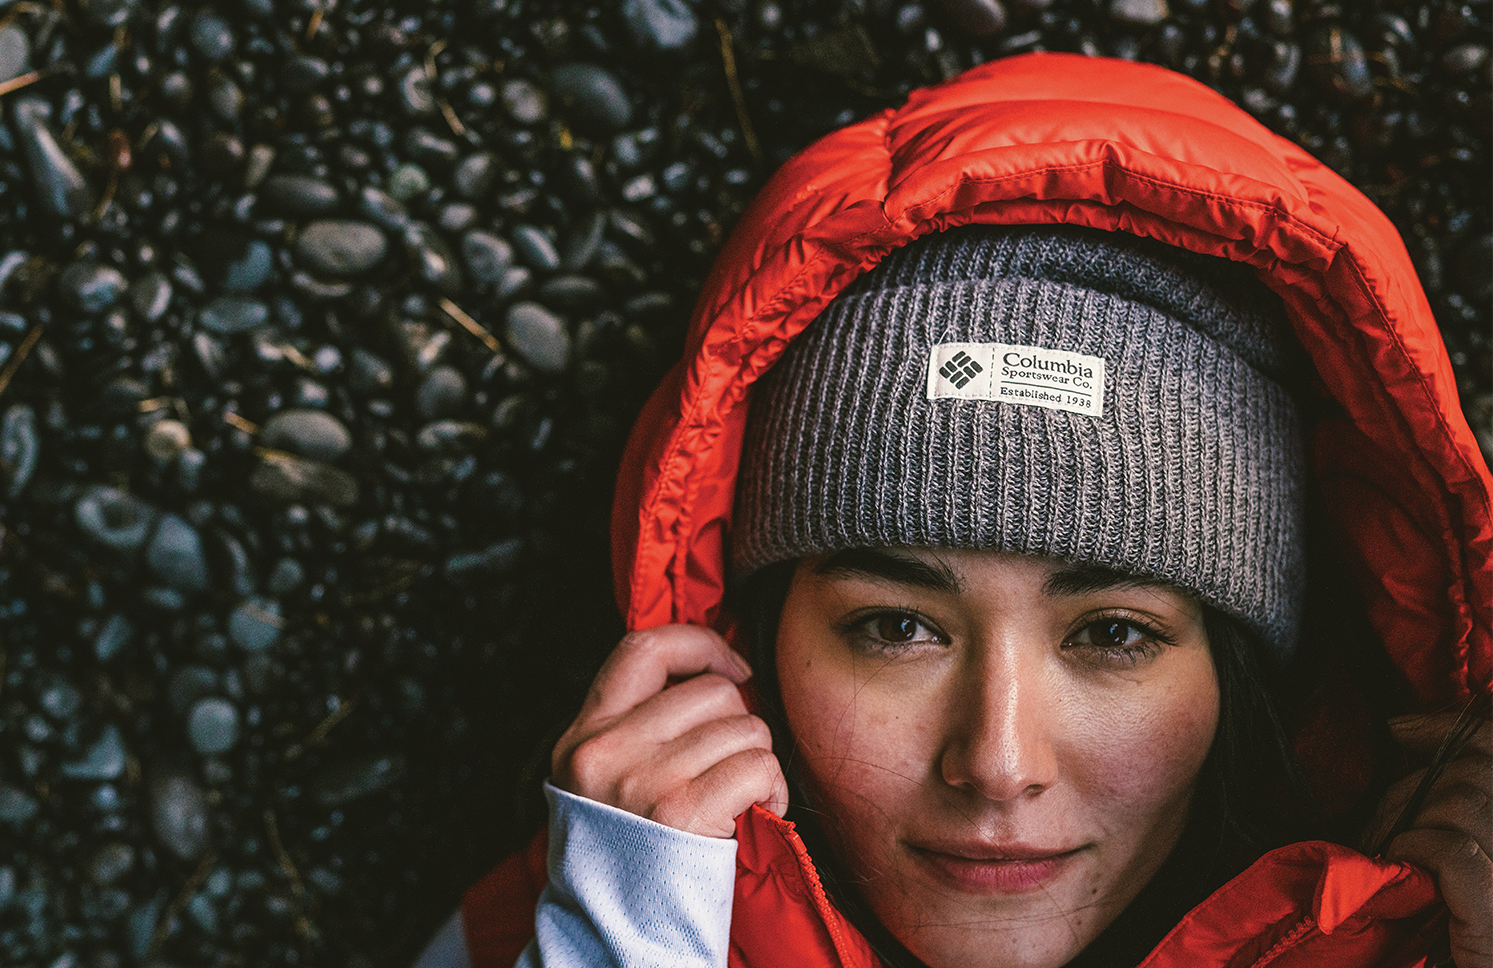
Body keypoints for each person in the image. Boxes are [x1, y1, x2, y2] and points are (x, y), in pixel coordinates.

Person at [416, 53, 1492, 968]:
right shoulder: (568, 918)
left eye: (1112, 632)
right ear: (745, 641)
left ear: (1242, 679)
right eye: (896, 625)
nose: (995, 759)